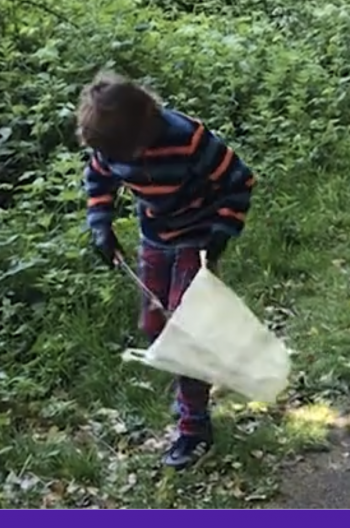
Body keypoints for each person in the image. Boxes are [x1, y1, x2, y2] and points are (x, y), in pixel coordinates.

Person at [77, 70, 256, 470]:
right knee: (154, 325)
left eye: (126, 156)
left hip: (199, 235)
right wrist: (101, 226)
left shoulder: (187, 138)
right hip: (155, 237)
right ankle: (204, 363)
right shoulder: (111, 146)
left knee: (184, 330)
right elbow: (99, 180)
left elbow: (240, 180)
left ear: (144, 129)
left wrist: (222, 232)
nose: (121, 163)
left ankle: (195, 429)